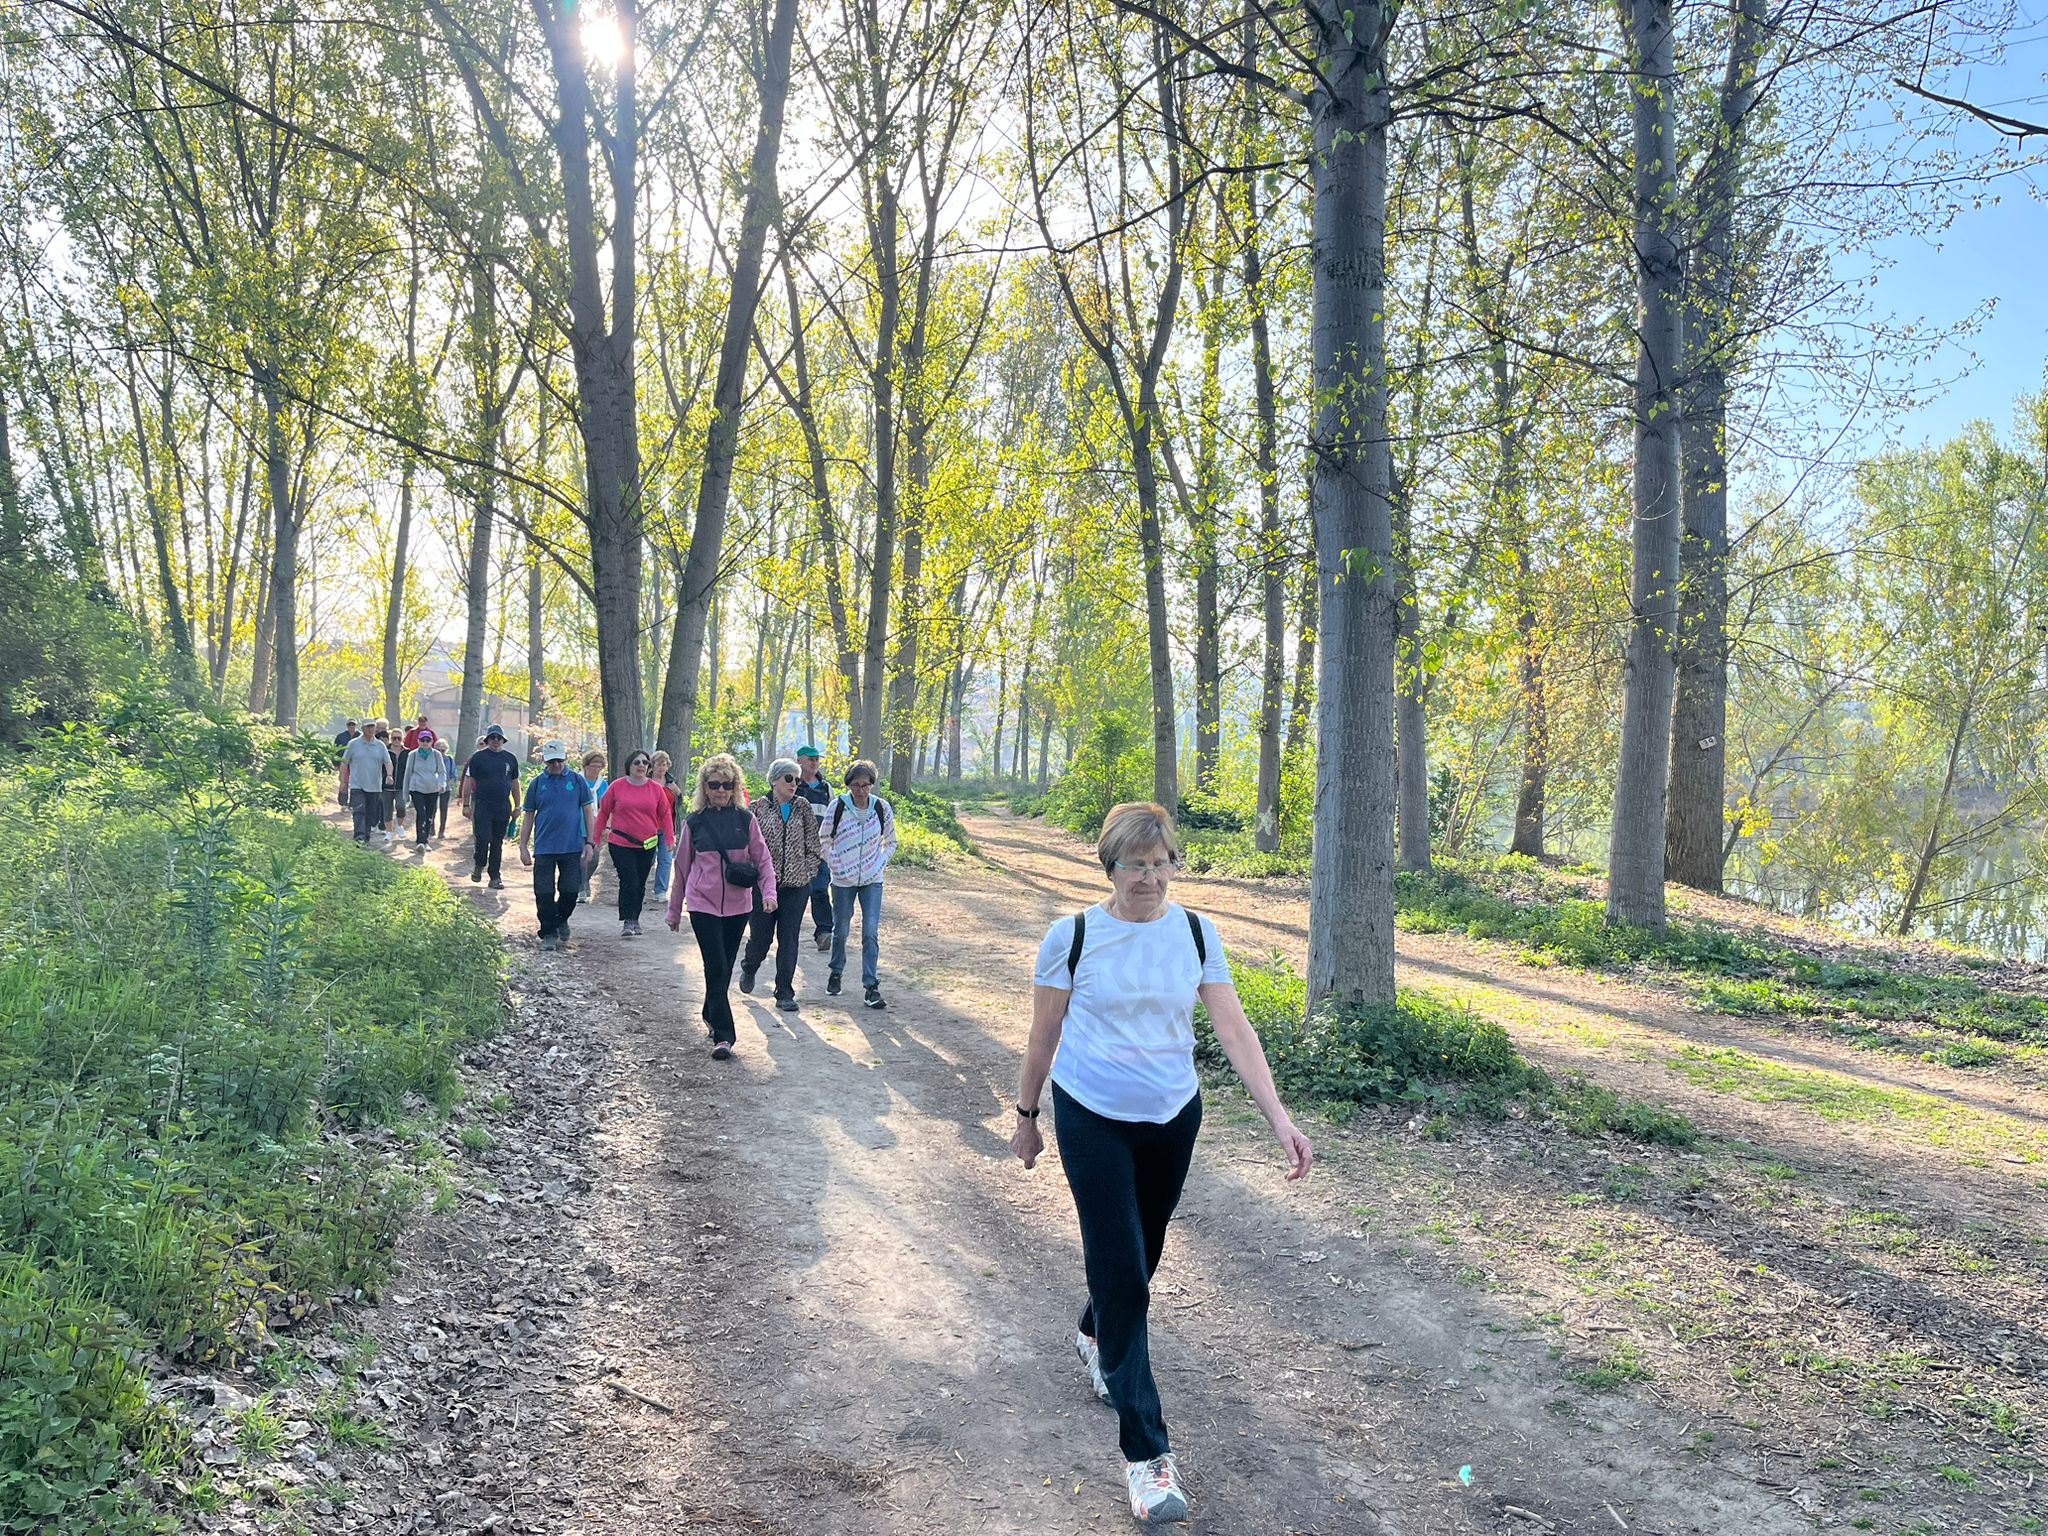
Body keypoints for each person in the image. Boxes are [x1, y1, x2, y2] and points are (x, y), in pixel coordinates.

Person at [1010, 802, 1313, 1527]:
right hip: (1091, 1114)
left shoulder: (1198, 933)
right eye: (1133, 864)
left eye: (1160, 863)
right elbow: (1043, 1036)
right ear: (1108, 867)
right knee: (1123, 1275)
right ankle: (1148, 1459)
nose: (1148, 877)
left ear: (1176, 863)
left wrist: (1280, 1117)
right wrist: (1025, 1117)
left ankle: (1094, 1333)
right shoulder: (1073, 936)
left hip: (1174, 1115)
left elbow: (1234, 1031)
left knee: (1137, 1262)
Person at [665, 753, 776, 1060]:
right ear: (705, 786)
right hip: (703, 906)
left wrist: (769, 894)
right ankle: (724, 1036)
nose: (721, 791)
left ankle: (709, 1010)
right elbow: (682, 868)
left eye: (727, 785)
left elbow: (763, 860)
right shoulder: (695, 823)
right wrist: (674, 910)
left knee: (724, 969)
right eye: (714, 785)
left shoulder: (746, 820)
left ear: (735, 786)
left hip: (739, 907)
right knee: (715, 966)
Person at [741, 758, 823, 1011]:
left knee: (789, 938)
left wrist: (807, 872)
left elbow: (814, 845)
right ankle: (750, 967)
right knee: (761, 939)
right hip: (764, 886)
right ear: (774, 780)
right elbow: (747, 848)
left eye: (797, 780)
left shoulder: (803, 807)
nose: (794, 784)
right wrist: (755, 876)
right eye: (789, 778)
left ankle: (784, 992)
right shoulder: (757, 808)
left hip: (797, 887)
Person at [820, 758, 895, 1009]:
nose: (861, 790)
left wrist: (879, 863)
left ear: (872, 784)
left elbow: (891, 842)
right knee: (840, 929)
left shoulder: (881, 808)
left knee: (870, 932)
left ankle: (871, 986)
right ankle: (836, 972)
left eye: (865, 785)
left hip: (873, 880)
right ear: (849, 785)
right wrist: (837, 864)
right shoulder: (837, 807)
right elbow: (824, 839)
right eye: (856, 785)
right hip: (842, 880)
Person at [519, 740, 597, 951]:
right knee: (543, 892)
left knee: (571, 890)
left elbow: (589, 813)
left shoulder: (577, 781)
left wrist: (590, 842)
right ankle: (549, 933)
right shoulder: (537, 784)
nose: (557, 765)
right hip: (544, 847)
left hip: (572, 846)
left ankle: (561, 918)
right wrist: (523, 846)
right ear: (545, 761)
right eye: (552, 761)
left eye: (560, 760)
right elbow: (528, 816)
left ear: (565, 758)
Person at [593, 749, 674, 938]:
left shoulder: (655, 789)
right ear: (629, 766)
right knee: (629, 880)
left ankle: (635, 919)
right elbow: (604, 812)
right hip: (620, 842)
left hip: (647, 844)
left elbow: (665, 814)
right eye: (637, 762)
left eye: (645, 763)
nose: (641, 766)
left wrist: (670, 838)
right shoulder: (617, 786)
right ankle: (628, 920)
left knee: (640, 883)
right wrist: (596, 838)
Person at [460, 725, 522, 888]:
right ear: (487, 740)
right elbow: (468, 781)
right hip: (482, 804)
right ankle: (479, 864)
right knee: (483, 838)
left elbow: (515, 783)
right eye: (492, 738)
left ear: (503, 740)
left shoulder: (510, 759)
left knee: (497, 842)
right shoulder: (478, 758)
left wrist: (518, 806)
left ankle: (495, 876)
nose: (496, 741)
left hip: (502, 806)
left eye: (499, 738)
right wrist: (466, 804)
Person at [794, 745, 835, 949]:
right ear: (799, 760)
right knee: (795, 892)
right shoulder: (791, 784)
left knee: (820, 890)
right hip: (795, 851)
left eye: (817, 759)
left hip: (820, 851)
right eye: (810, 759)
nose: (814, 762)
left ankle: (824, 932)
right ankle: (789, 930)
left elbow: (835, 816)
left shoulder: (826, 788)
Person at [338, 723, 392, 844]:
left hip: (374, 786)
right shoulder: (353, 744)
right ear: (362, 729)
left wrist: (389, 775)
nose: (370, 729)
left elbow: (388, 762)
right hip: (357, 784)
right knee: (359, 810)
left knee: (370, 814)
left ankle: (365, 837)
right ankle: (359, 837)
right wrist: (343, 782)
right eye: (368, 727)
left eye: (372, 726)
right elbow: (344, 763)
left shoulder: (380, 745)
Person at [399, 728, 451, 850]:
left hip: (432, 789)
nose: (425, 742)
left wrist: (441, 784)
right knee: (421, 813)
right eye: (423, 740)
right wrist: (405, 794)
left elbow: (442, 771)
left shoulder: (436, 754)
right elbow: (407, 774)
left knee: (429, 815)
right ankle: (420, 841)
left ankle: (425, 841)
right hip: (416, 788)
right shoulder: (413, 755)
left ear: (432, 741)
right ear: (418, 741)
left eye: (428, 740)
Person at [650, 751, 685, 901]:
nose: (662, 767)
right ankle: (639, 887)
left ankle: (661, 891)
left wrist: (679, 794)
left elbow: (678, 804)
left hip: (667, 827)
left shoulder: (671, 782)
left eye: (664, 764)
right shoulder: (646, 781)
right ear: (653, 765)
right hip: (648, 826)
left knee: (665, 859)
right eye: (659, 764)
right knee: (647, 859)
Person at [577, 749, 610, 904]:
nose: (595, 769)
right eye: (593, 766)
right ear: (586, 765)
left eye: (599, 767)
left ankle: (584, 881)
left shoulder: (603, 785)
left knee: (594, 859)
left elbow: (608, 807)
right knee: (582, 858)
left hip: (596, 825)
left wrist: (607, 826)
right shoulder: (577, 780)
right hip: (577, 824)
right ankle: (581, 889)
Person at [376, 725, 403, 846]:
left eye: (399, 738)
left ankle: (400, 826)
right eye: (394, 738)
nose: (396, 741)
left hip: (401, 785)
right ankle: (388, 832)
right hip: (386, 786)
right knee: (387, 808)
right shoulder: (384, 751)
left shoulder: (407, 752)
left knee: (401, 806)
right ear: (391, 738)